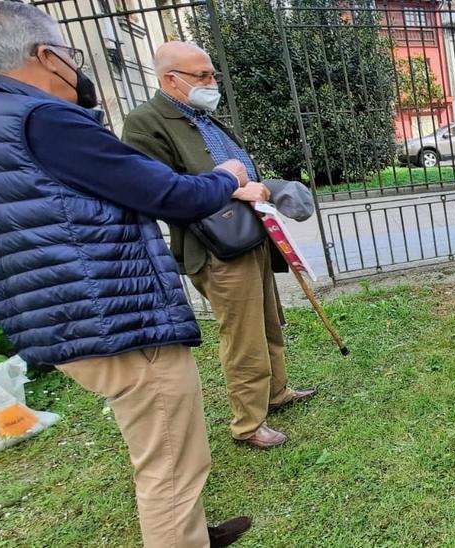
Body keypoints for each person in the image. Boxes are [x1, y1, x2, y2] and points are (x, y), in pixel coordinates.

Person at [0, 2, 269, 546]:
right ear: (45, 56)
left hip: (64, 319)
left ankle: (189, 532)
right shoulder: (43, 120)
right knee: (170, 460)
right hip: (116, 318)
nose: (75, 65)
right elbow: (165, 192)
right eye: (69, 54)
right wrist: (227, 176)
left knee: (157, 442)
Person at [122, 42, 316, 450]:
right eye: (203, 76)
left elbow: (240, 172)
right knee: (243, 337)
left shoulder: (205, 117)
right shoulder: (147, 123)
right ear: (170, 78)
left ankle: (277, 392)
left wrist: (259, 189)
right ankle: (248, 424)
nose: (212, 83)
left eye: (213, 74)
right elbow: (162, 193)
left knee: (268, 321)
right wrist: (233, 190)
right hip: (215, 247)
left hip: (252, 234)